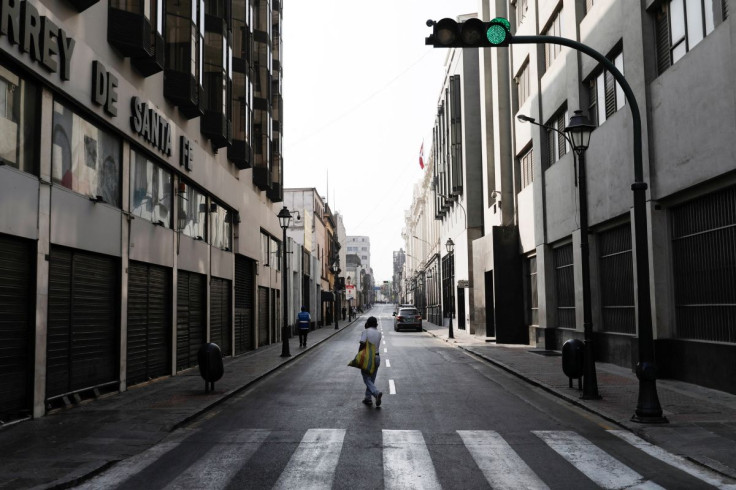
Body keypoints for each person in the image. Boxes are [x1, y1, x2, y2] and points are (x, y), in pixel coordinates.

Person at [358, 316, 382, 407]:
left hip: (367, 357)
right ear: (376, 324)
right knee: (372, 379)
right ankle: (368, 398)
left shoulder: (366, 332)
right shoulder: (379, 333)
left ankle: (376, 393)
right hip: (376, 357)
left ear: (367, 323)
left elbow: (362, 344)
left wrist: (359, 355)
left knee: (366, 378)